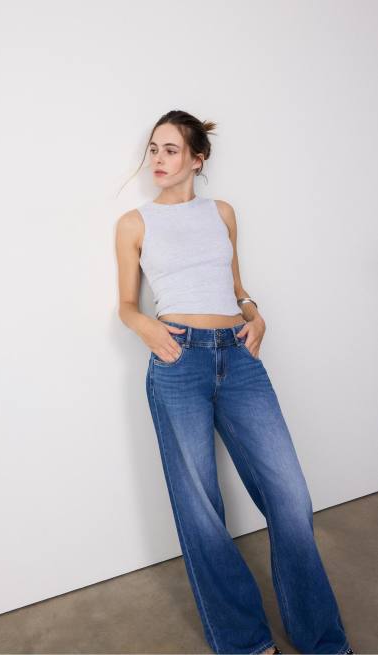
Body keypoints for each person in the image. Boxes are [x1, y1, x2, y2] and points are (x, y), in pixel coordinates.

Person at [115, 110, 354, 655]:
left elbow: (235, 284)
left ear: (197, 159)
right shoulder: (134, 223)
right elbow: (126, 304)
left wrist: (254, 312)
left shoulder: (221, 212)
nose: (157, 159)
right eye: (153, 149)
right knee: (201, 509)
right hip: (179, 363)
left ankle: (321, 639)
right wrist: (147, 327)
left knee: (291, 498)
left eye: (170, 150)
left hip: (240, 360)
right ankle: (245, 641)